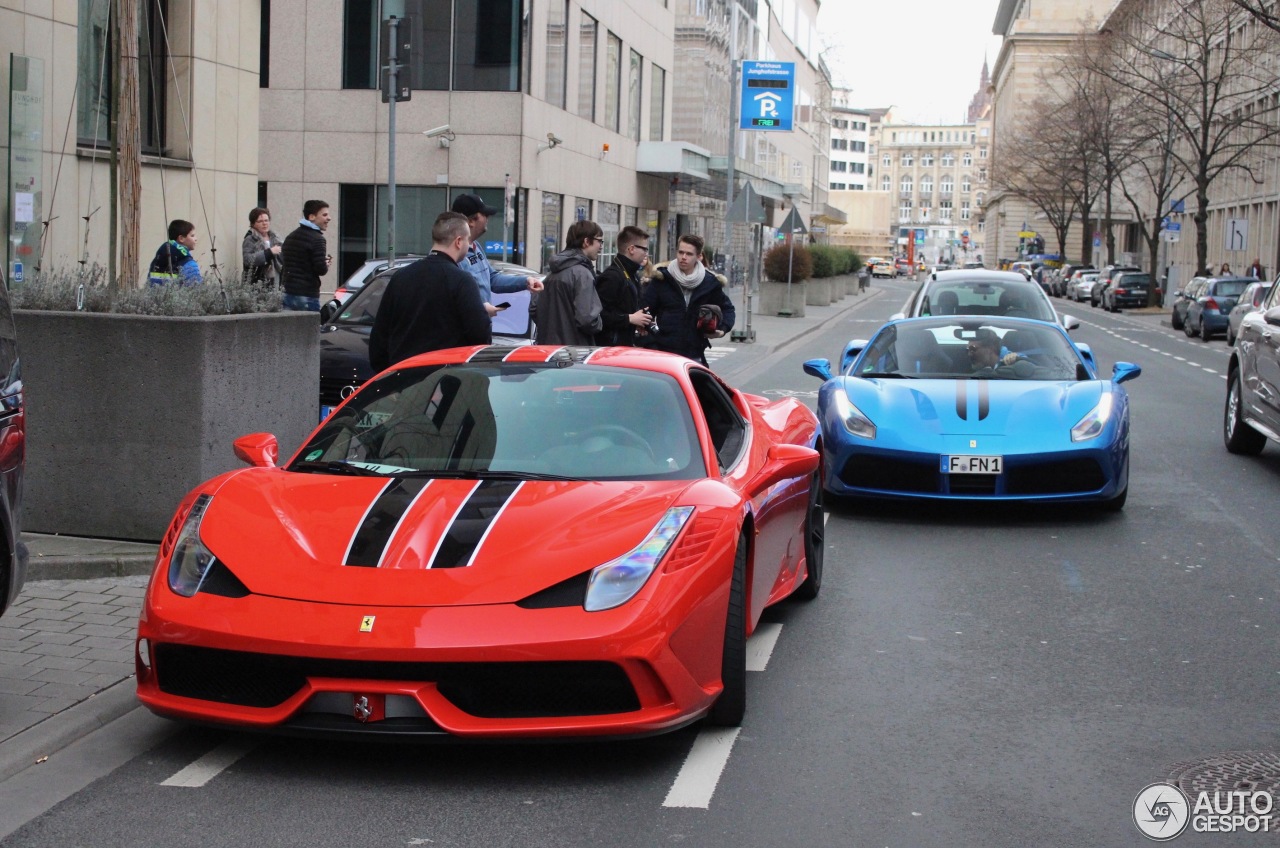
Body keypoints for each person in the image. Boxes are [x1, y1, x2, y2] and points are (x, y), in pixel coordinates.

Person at [368, 212, 491, 373]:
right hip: (444, 378)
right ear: (459, 242)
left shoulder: (400, 277)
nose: (469, 245)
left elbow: (379, 339)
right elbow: (480, 336)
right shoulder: (462, 281)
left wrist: (388, 380)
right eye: (468, 240)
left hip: (401, 378)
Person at [642, 234, 736, 365]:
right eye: (681, 252)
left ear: (699, 257)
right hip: (664, 353)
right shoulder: (662, 279)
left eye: (689, 254)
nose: (683, 257)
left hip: (695, 354)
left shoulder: (709, 283)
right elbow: (643, 311)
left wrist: (722, 329)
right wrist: (653, 340)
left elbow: (728, 309)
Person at [450, 194, 543, 316]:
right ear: (471, 221)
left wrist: (526, 281)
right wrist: (480, 309)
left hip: (480, 327)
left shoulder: (476, 246)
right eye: (484, 214)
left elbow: (493, 279)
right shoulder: (453, 254)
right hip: (466, 330)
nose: (488, 218)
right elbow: (452, 299)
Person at [533, 220, 604, 346]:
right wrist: (600, 322)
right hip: (574, 353)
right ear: (586, 242)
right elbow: (588, 319)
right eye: (599, 241)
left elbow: (534, 308)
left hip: (547, 350)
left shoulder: (552, 273)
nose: (601, 246)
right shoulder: (582, 274)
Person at [594, 225, 654, 346]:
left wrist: (638, 320)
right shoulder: (613, 277)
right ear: (631, 249)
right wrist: (630, 319)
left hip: (623, 345)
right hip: (609, 350)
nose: (646, 254)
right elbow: (598, 315)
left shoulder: (632, 275)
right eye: (644, 249)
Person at [281, 199, 332, 311]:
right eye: (324, 215)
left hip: (287, 293)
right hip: (307, 295)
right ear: (312, 217)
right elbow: (321, 270)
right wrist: (325, 264)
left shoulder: (290, 237)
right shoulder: (318, 239)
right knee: (309, 328)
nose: (329, 218)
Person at [147, 220, 203, 286]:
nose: (196, 239)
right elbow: (196, 291)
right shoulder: (188, 263)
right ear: (181, 238)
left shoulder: (158, 260)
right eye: (192, 235)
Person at [241, 207, 282, 286]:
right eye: (260, 221)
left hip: (275, 282)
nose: (264, 223)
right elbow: (247, 260)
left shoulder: (276, 238)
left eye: (266, 220)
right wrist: (269, 252)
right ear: (253, 224)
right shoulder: (250, 239)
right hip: (256, 282)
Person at [967, 329, 1032, 377]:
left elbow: (1031, 367)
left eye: (973, 349)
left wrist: (1017, 359)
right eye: (968, 350)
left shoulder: (1011, 359)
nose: (969, 354)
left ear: (990, 348)